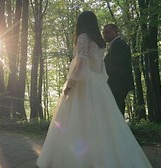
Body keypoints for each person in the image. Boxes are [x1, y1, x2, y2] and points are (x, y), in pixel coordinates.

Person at [36, 11, 152, 168]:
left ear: (81, 22)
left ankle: (79, 159)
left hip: (83, 83)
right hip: (97, 82)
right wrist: (101, 83)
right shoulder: (99, 42)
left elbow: (80, 63)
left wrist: (70, 84)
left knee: (79, 118)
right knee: (100, 120)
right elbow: (100, 67)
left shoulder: (83, 37)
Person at [103, 24, 134, 115]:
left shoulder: (120, 45)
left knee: (117, 109)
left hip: (118, 83)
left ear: (116, 32)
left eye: (107, 32)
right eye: (104, 33)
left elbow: (116, 65)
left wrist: (99, 69)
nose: (105, 35)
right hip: (116, 83)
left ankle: (119, 129)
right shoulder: (114, 46)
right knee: (115, 109)